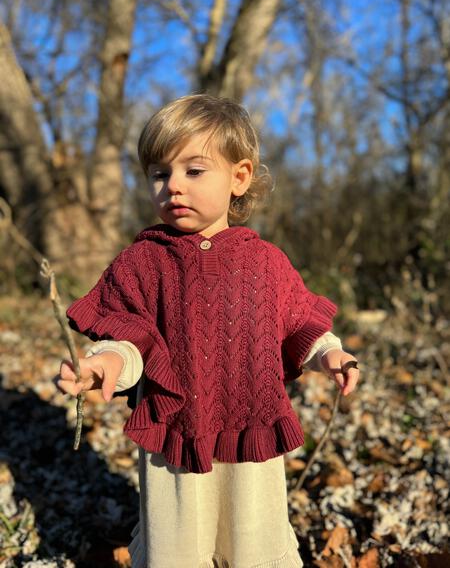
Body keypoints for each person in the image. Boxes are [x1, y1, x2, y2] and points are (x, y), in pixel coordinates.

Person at [57, 94, 359, 568]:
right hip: (174, 435)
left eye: (194, 171)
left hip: (250, 429)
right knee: (175, 544)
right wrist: (106, 364)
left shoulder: (265, 262)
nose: (173, 186)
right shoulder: (142, 262)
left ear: (239, 177)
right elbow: (129, 337)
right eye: (160, 173)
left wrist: (331, 355)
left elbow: (298, 322)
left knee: (253, 541)